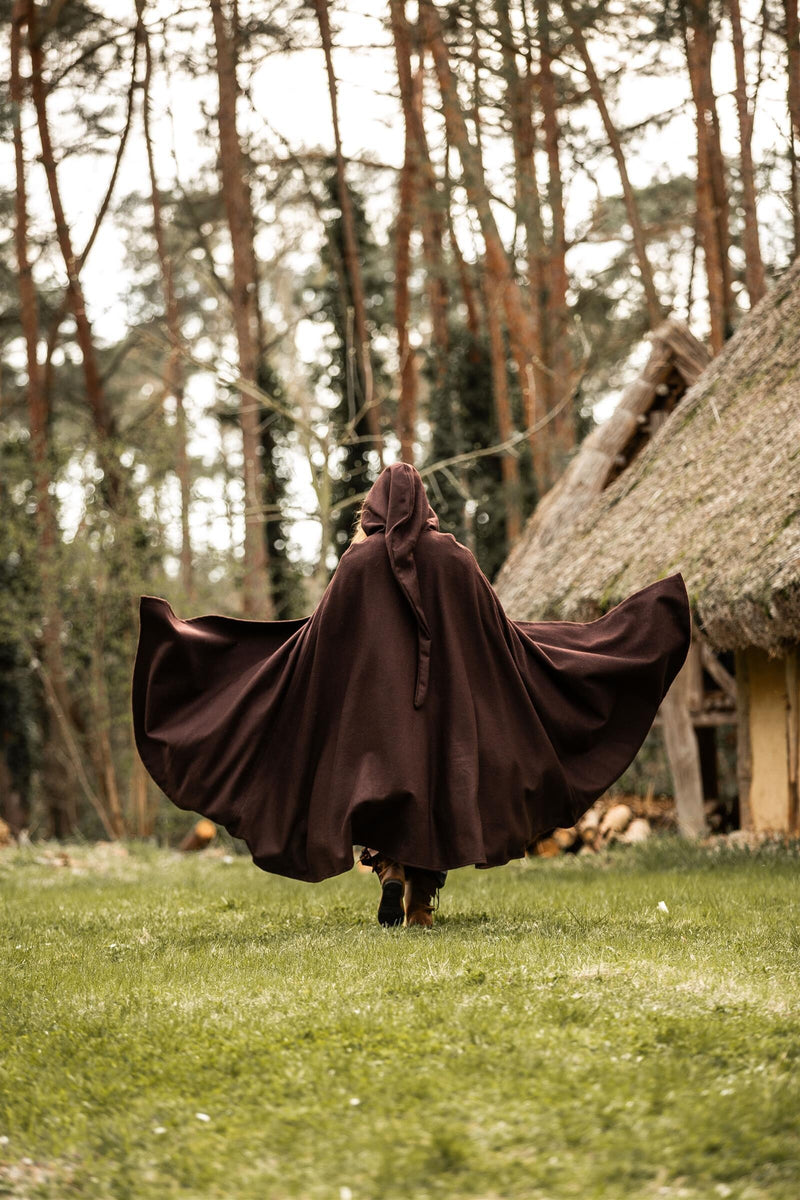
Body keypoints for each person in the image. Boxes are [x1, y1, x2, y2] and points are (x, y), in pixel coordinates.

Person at [131, 461, 691, 930]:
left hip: (374, 726)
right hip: (447, 722)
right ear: (425, 505)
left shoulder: (355, 565)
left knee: (382, 797)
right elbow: (498, 637)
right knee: (438, 797)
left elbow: (316, 645)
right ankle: (421, 902)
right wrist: (564, 659)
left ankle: (391, 873)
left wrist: (256, 671)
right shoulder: (456, 560)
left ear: (371, 508)